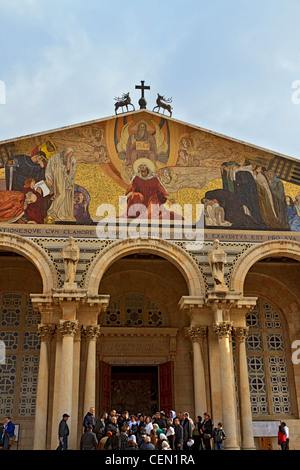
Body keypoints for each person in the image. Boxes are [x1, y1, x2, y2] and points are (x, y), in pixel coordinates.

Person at [45, 147, 76, 222]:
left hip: (66, 180)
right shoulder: (54, 158)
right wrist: (49, 179)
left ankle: (63, 214)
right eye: (68, 153)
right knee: (61, 195)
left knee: (66, 197)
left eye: (71, 153)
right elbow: (48, 169)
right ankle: (52, 212)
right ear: (64, 152)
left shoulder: (72, 159)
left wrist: (68, 159)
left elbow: (71, 171)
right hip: (58, 179)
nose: (70, 155)